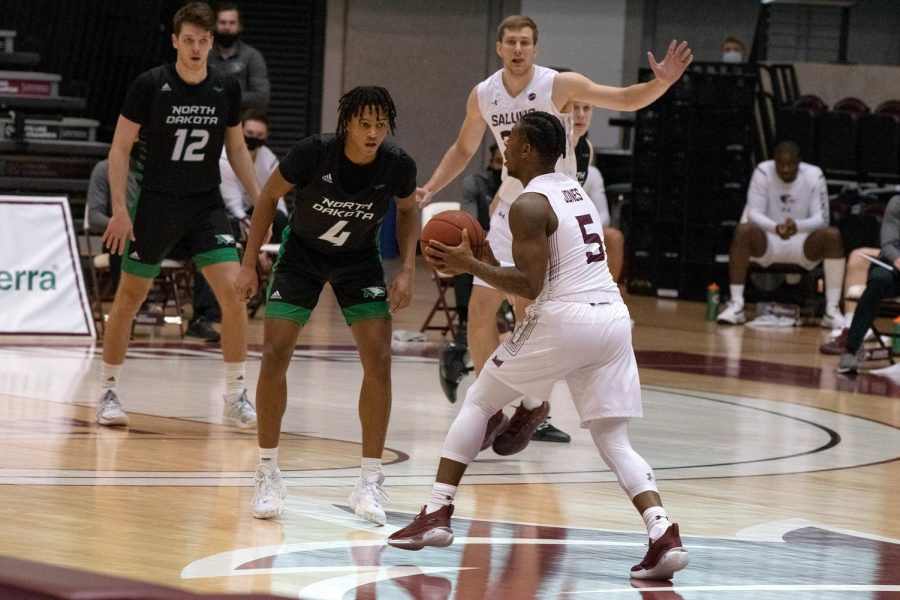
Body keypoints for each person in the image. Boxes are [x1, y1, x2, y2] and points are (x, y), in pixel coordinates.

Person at [388, 112, 689, 583]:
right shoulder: (575, 192)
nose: (504, 147)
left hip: (566, 316)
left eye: (511, 140)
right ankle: (663, 533)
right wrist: (486, 259)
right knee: (613, 439)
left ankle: (436, 512)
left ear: (528, 150)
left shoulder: (529, 203)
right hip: (611, 319)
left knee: (482, 399)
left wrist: (469, 265)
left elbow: (531, 284)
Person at [417, 14, 693, 455]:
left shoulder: (558, 85)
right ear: (500, 48)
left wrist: (661, 83)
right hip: (510, 206)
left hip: (550, 207)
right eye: (511, 42)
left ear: (536, 48)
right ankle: (492, 410)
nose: (519, 49)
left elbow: (622, 99)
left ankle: (533, 404)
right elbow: (463, 148)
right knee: (480, 311)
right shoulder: (483, 94)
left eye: (526, 42)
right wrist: (432, 186)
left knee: (533, 315)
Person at [233, 86, 419, 523]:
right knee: (275, 355)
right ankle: (268, 472)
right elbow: (267, 196)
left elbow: (408, 210)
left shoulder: (397, 164)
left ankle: (369, 482)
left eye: (380, 125)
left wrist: (408, 268)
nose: (373, 133)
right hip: (301, 256)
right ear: (347, 125)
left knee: (379, 360)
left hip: (358, 261)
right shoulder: (313, 153)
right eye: (364, 124)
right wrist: (248, 264)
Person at [97, 2, 260, 428]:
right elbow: (119, 148)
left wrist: (259, 197)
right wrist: (119, 209)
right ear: (175, 40)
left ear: (211, 43)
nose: (196, 47)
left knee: (234, 295)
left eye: (203, 41)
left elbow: (237, 149)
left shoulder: (225, 87)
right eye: (188, 39)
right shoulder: (150, 85)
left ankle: (235, 393)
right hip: (154, 203)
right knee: (129, 300)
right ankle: (108, 390)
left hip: (204, 205)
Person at [717, 141, 845, 326]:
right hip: (769, 239)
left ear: (798, 162)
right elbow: (753, 213)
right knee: (743, 232)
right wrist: (775, 227)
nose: (784, 169)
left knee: (832, 236)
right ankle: (736, 305)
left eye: (789, 164)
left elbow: (822, 219)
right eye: (780, 164)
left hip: (802, 240)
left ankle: (831, 311)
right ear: (774, 161)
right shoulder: (762, 171)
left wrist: (798, 226)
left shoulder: (814, 175)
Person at [836, 195, 900, 373]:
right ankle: (850, 350)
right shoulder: (897, 203)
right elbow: (887, 245)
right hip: (893, 264)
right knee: (879, 280)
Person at [572, 100, 624, 282]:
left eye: (586, 108)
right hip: (544, 224)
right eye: (574, 108)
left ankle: (606, 299)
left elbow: (604, 215)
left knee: (613, 237)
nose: (580, 114)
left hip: (576, 227)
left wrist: (584, 227)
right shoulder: (551, 148)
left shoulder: (587, 150)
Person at [208, 1, 270, 110]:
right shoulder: (204, 56)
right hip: (209, 120)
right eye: (222, 22)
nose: (227, 27)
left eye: (232, 23)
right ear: (214, 26)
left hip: (241, 121)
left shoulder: (252, 56)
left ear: (240, 27)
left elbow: (262, 98)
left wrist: (224, 96)